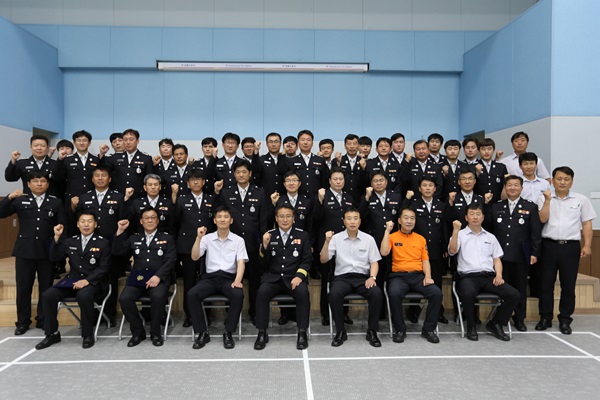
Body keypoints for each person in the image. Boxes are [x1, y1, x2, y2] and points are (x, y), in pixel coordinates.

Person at [0, 171, 66, 335]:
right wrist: (9, 197)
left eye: (43, 181)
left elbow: (63, 225)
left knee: (46, 288)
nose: (39, 184)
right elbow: (1, 213)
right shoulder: (20, 200)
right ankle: (22, 322)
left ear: (47, 184)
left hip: (46, 251)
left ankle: (43, 319)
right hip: (25, 251)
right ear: (29, 184)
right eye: (36, 181)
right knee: (23, 288)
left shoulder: (56, 202)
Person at [36, 211, 110, 349]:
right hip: (72, 281)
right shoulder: (70, 241)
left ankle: (87, 335)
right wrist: (57, 237)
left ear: (95, 224)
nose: (86, 224)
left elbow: (104, 268)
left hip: (94, 282)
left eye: (89, 221)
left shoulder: (103, 243)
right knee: (48, 295)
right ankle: (52, 334)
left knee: (84, 295)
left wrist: (87, 281)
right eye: (83, 221)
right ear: (77, 224)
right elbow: (54, 257)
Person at [536, 167, 596, 334]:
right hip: (548, 246)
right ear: (553, 180)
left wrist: (587, 245)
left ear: (572, 181)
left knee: (568, 285)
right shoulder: (543, 198)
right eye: (559, 179)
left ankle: (565, 320)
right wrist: (547, 201)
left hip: (570, 247)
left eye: (566, 179)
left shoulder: (581, 200)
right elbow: (542, 219)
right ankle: (545, 317)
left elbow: (586, 223)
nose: (562, 182)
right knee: (545, 284)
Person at [448, 203, 520, 341]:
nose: (475, 217)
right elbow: (452, 250)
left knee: (514, 294)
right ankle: (471, 326)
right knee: (468, 293)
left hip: (488, 277)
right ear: (466, 217)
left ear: (483, 217)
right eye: (471, 214)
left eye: (478, 214)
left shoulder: (490, 237)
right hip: (468, 277)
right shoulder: (460, 235)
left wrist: (499, 275)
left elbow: (497, 259)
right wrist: (455, 231)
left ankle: (495, 324)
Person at [74, 167, 133, 326]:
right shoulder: (85, 197)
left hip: (111, 247)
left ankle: (109, 315)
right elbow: (78, 221)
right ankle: (91, 316)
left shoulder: (118, 197)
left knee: (110, 281)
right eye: (97, 176)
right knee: (90, 280)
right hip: (88, 248)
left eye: (103, 176)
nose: (100, 178)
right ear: (92, 179)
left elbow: (123, 221)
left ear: (109, 179)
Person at [113, 207, 177, 347]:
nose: (150, 220)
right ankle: (138, 332)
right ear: (141, 221)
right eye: (146, 218)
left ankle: (156, 333)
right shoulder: (134, 238)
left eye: (153, 217)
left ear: (158, 220)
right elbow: (117, 252)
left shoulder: (167, 238)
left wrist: (158, 276)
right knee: (124, 298)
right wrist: (120, 231)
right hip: (138, 279)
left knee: (158, 297)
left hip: (158, 279)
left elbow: (171, 260)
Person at [320, 208, 383, 347]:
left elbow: (374, 262)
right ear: (344, 221)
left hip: (363, 278)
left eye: (355, 218)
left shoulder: (368, 239)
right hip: (342, 278)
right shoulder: (336, 238)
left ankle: (372, 331)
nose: (352, 222)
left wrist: (372, 277)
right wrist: (326, 242)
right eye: (349, 218)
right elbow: (323, 259)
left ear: (360, 221)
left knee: (376, 293)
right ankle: (340, 331)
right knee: (334, 294)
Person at [216, 160, 268, 324]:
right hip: (231, 245)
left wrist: (263, 240)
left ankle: (254, 312)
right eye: (238, 172)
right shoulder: (226, 192)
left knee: (254, 281)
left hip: (253, 244)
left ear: (250, 174)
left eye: (244, 172)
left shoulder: (259, 192)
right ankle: (231, 314)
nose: (241, 175)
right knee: (230, 280)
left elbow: (263, 219)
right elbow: (221, 218)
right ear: (234, 174)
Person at [254, 204, 312, 350]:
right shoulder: (269, 235)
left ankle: (302, 332)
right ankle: (262, 332)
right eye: (281, 216)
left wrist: (299, 276)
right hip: (273, 278)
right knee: (262, 292)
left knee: (303, 292)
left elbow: (307, 260)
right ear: (276, 218)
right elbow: (262, 264)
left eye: (288, 216)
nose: (285, 220)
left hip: (293, 278)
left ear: (293, 218)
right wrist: (264, 247)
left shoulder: (302, 235)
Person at [188, 206, 247, 349]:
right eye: (219, 217)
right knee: (192, 294)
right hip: (210, 278)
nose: (222, 219)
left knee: (238, 295)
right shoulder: (206, 238)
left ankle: (228, 333)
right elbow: (194, 257)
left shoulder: (238, 240)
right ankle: (202, 333)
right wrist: (198, 238)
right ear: (214, 220)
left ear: (231, 220)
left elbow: (241, 262)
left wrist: (237, 280)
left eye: (226, 217)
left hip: (229, 278)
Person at [380, 208, 442, 344]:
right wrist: (387, 231)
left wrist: (428, 276)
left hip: (418, 276)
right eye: (406, 218)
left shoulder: (420, 239)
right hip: (398, 276)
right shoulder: (392, 237)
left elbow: (425, 260)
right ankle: (400, 330)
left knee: (436, 293)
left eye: (412, 218)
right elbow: (384, 252)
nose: (409, 221)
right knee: (394, 293)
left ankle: (428, 329)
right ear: (399, 220)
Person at [489, 175, 542, 331]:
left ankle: (519, 318)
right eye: (509, 185)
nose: (512, 188)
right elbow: (489, 231)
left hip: (520, 255)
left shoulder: (530, 207)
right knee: (501, 288)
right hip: (499, 257)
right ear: (505, 188)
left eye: (516, 185)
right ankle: (500, 318)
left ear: (521, 188)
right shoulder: (496, 206)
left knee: (520, 289)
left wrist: (535, 253)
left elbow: (535, 233)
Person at [403, 177, 449, 323]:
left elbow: (444, 227)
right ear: (419, 188)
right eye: (424, 185)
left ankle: (438, 311)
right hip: (416, 250)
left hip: (435, 250)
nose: (428, 188)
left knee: (436, 281)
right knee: (416, 279)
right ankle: (413, 310)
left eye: (430, 185)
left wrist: (445, 246)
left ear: (435, 189)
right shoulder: (414, 204)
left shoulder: (441, 205)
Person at [174, 170, 216, 328]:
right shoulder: (181, 200)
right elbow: (175, 223)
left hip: (209, 247)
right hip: (187, 247)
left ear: (204, 182)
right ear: (187, 183)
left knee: (207, 280)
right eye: (192, 180)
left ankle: (207, 313)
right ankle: (189, 315)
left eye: (199, 179)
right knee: (189, 282)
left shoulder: (211, 199)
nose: (196, 182)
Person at [314, 168, 354, 326]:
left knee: (345, 277)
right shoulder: (323, 195)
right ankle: (326, 313)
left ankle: (344, 312)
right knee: (327, 279)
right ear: (329, 181)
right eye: (335, 179)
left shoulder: (349, 197)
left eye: (341, 179)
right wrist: (319, 200)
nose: (338, 181)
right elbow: (316, 219)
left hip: (346, 244)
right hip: (327, 244)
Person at [101, 129, 153, 199]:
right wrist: (101, 154)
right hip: (118, 197)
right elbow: (104, 173)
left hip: (138, 197)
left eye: (131, 139)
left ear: (137, 141)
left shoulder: (146, 158)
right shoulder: (115, 158)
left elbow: (149, 180)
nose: (128, 142)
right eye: (125, 140)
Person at [289, 130, 329, 199]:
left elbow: (325, 181)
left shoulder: (320, 160)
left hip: (317, 199)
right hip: (298, 199)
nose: (305, 142)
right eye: (303, 140)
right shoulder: (292, 161)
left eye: (308, 140)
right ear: (298, 143)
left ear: (312, 143)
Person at [257, 132, 290, 198]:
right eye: (270, 142)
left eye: (276, 142)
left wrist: (282, 155)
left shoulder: (287, 160)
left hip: (283, 197)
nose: (273, 144)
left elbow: (281, 171)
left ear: (280, 144)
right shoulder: (261, 159)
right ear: (267, 144)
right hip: (265, 197)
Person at [474, 138, 507, 202]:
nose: (486, 152)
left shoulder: (501, 167)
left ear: (493, 150)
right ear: (478, 151)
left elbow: (505, 187)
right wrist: (476, 174)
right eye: (483, 149)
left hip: (497, 203)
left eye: (489, 149)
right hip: (479, 204)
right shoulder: (473, 166)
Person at [338, 134, 366, 206]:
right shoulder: (339, 160)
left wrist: (364, 169)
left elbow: (367, 181)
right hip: (342, 200)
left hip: (360, 200)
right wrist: (338, 164)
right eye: (349, 144)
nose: (352, 146)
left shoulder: (364, 161)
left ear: (358, 146)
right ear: (345, 146)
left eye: (354, 143)